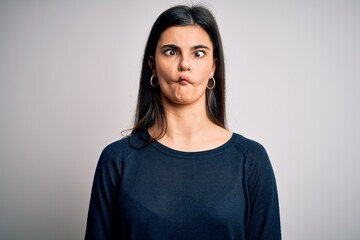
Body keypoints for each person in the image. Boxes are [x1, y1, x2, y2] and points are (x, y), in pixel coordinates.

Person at [85, 4, 281, 240]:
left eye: (198, 53)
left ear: (213, 68)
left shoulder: (250, 160)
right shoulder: (116, 161)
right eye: (171, 51)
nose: (184, 64)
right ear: (152, 66)